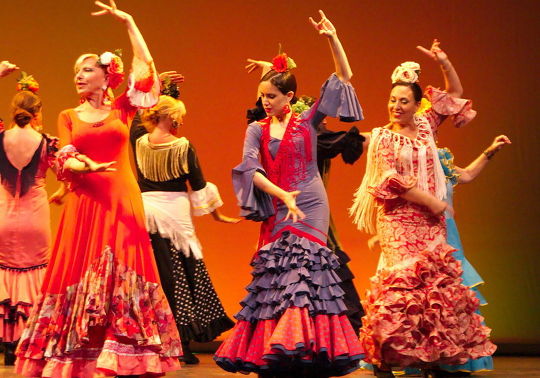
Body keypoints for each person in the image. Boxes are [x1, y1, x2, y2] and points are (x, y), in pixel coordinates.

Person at [15, 1, 182, 376]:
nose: (79, 76)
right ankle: (78, 354)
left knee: (123, 272)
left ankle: (124, 354)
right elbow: (66, 158)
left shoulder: (123, 109)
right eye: (77, 71)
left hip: (122, 201)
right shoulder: (68, 116)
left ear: (107, 77)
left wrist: (130, 22)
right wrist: (86, 164)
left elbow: (147, 71)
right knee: (79, 271)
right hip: (86, 205)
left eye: (87, 70)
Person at [214, 10, 364, 377]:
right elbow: (251, 171)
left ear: (289, 97)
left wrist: (332, 37)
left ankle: (308, 348)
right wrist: (283, 195)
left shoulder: (308, 121)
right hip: (281, 204)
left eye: (272, 95)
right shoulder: (256, 130)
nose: (265, 101)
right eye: (263, 95)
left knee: (307, 270)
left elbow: (343, 77)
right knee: (279, 273)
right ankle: (280, 347)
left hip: (311, 203)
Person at [350, 40, 496, 377]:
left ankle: (435, 356)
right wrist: (435, 203)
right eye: (392, 100)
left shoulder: (427, 125)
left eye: (403, 101)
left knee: (435, 289)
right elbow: (391, 180)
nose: (396, 106)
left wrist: (444, 60)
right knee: (401, 291)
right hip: (400, 221)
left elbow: (454, 93)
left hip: (430, 223)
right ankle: (385, 358)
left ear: (418, 104)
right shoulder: (385, 138)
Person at [129, 76, 237, 365]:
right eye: (177, 114)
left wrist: (157, 86)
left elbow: (135, 122)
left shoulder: (139, 142)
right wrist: (217, 214)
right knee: (182, 276)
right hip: (175, 216)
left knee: (157, 275)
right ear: (170, 115)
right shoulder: (183, 146)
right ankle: (181, 342)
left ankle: (150, 336)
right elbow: (199, 185)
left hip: (147, 213)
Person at [247, 94, 367, 336]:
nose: (322, 122)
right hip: (303, 222)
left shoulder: (307, 139)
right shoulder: (309, 141)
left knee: (304, 280)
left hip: (304, 219)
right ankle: (307, 335)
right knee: (310, 279)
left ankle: (306, 334)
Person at [434, 135, 510, 376]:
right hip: (424, 234)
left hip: (449, 235)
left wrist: (489, 151)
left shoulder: (439, 158)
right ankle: (420, 358)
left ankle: (453, 357)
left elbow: (465, 175)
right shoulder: (407, 158)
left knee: (454, 297)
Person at [0, 69, 57, 366]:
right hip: (35, 215)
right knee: (35, 275)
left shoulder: (0, 138)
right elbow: (68, 173)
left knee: (5, 277)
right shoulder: (48, 142)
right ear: (37, 113)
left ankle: (7, 345)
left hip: (4, 216)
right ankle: (30, 340)